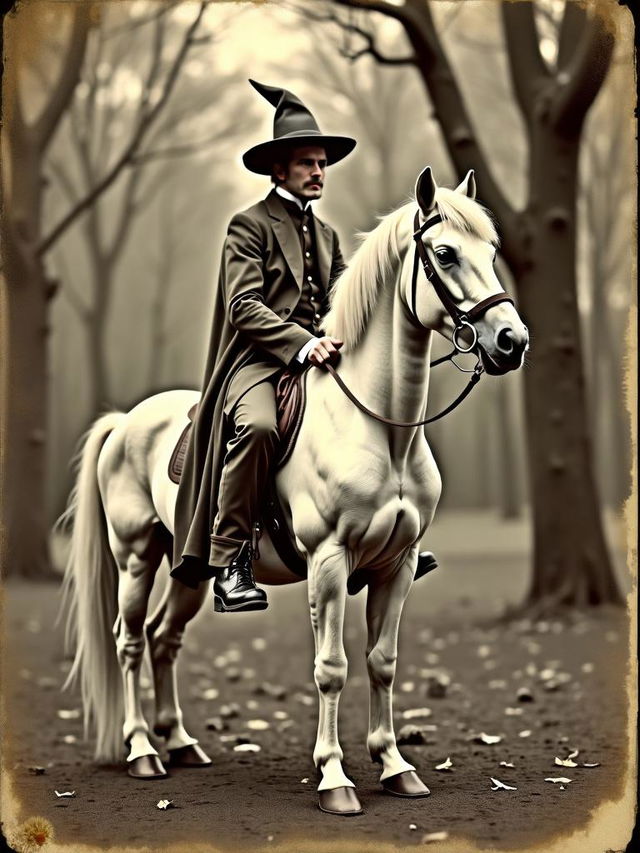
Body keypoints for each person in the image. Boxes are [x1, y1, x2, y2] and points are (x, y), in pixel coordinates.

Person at [170, 80, 355, 612]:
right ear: (280, 170)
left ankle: (384, 539)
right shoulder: (247, 226)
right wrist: (302, 344)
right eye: (307, 163)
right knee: (259, 427)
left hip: (320, 360)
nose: (319, 172)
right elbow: (243, 307)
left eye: (322, 163)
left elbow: (344, 300)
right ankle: (233, 563)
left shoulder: (328, 236)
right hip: (256, 363)